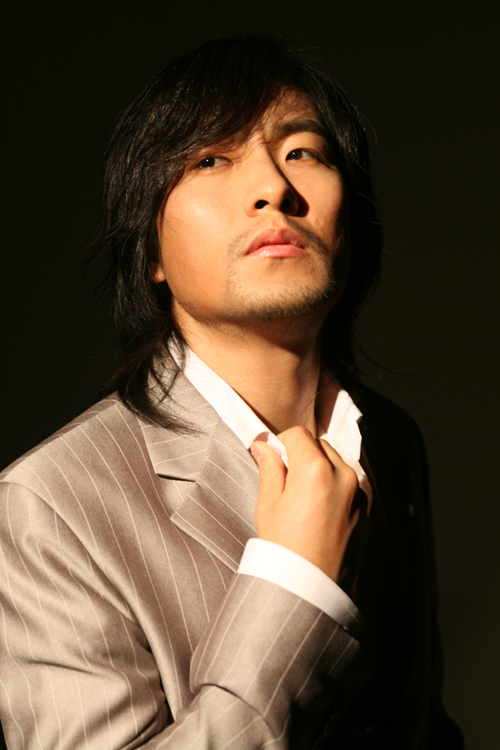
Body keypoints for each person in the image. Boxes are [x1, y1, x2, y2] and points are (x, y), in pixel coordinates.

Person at [0, 35, 463, 749]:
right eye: (211, 160)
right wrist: (296, 588)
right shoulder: (49, 505)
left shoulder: (393, 443)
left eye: (303, 151)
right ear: (150, 251)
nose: (273, 187)